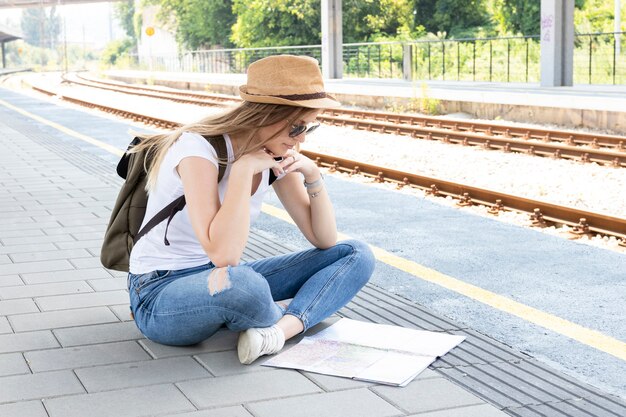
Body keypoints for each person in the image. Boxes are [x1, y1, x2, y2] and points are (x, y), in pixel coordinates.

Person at [127, 54, 375, 365]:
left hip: (217, 277)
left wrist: (313, 176)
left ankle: (277, 332)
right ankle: (291, 314)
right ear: (265, 115)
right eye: (296, 128)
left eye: (308, 129)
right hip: (160, 292)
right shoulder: (198, 149)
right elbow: (224, 255)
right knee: (244, 285)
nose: (298, 142)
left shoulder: (275, 152)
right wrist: (242, 173)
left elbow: (323, 239)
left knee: (355, 253)